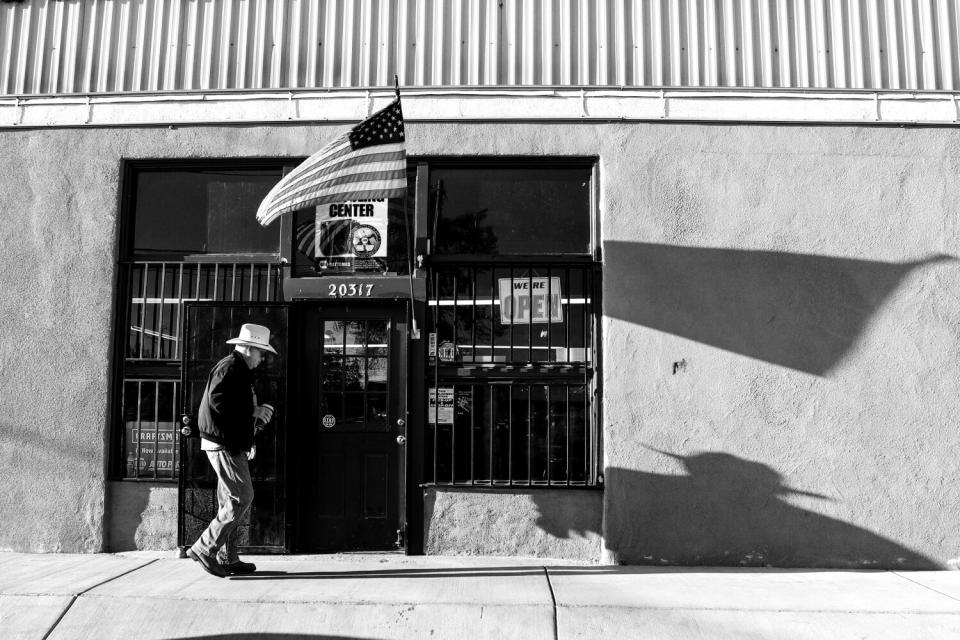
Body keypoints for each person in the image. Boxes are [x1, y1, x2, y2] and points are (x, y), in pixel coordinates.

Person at [188, 323, 277, 578]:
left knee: (230, 501)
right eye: (261, 352)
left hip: (228, 442)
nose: (263, 358)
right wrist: (253, 412)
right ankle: (204, 548)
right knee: (241, 497)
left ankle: (228, 556)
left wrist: (253, 426)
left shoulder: (236, 369)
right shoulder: (230, 367)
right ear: (249, 348)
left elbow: (227, 405)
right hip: (223, 443)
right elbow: (217, 402)